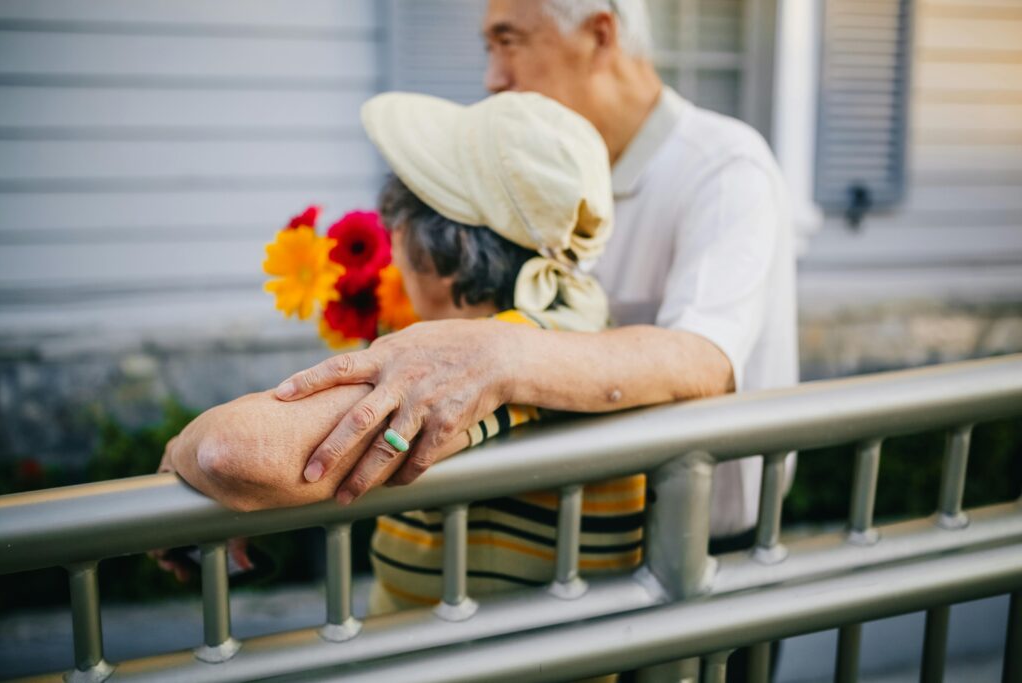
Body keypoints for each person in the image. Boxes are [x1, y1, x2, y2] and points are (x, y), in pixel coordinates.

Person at [278, 0, 798, 545]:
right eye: (489, 46)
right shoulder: (540, 172)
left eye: (509, 41)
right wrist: (268, 492)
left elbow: (703, 359)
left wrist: (499, 352)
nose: (492, 77)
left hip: (708, 547)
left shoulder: (724, 168)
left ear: (599, 35)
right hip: (584, 544)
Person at [160, 91, 645, 614]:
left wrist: (178, 452)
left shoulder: (482, 360)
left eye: (401, 221)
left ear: (443, 251)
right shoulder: (575, 322)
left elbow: (231, 452)